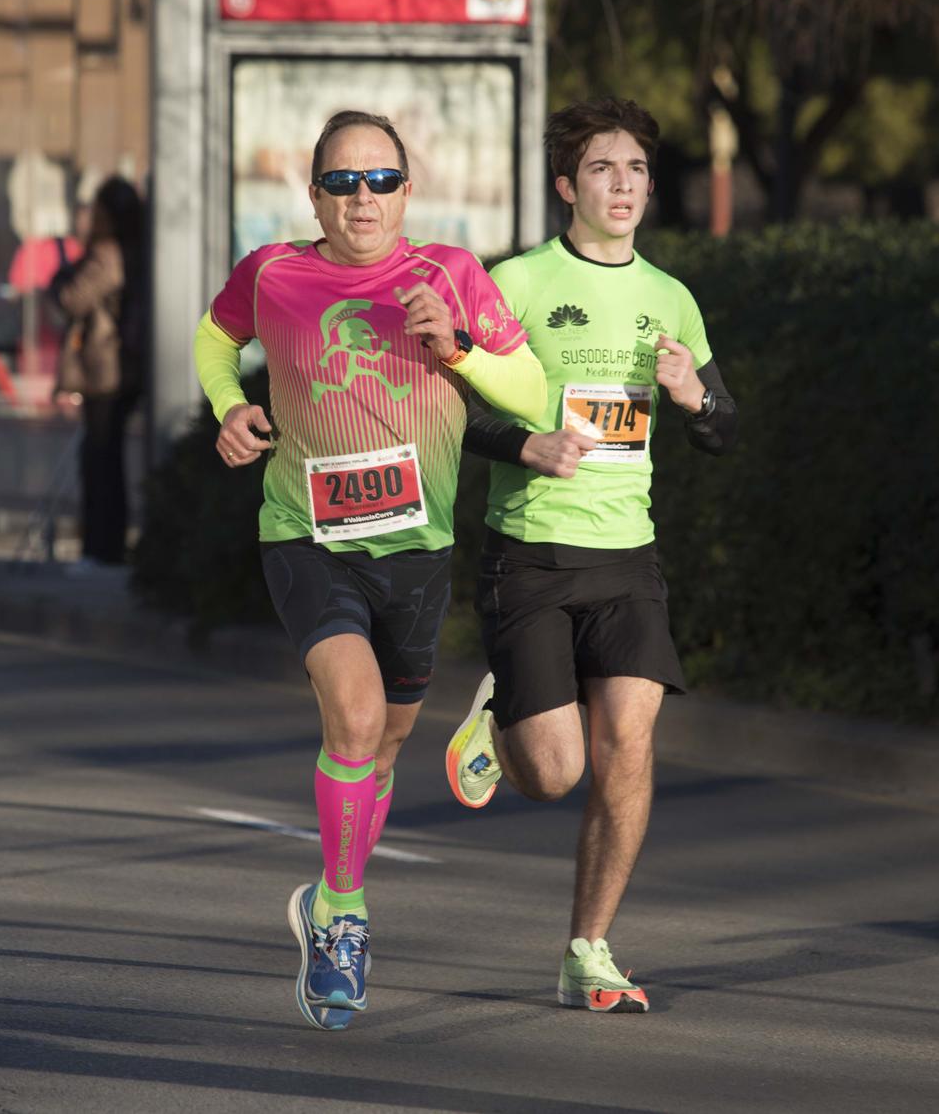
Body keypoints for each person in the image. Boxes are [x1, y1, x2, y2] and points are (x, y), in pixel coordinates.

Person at [195, 110, 548, 1030]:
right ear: (313, 193)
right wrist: (229, 404)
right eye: (343, 181)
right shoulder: (274, 271)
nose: (363, 198)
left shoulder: (452, 276)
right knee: (352, 716)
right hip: (306, 535)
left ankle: (326, 892)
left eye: (381, 179)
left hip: (417, 549)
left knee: (384, 743)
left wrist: (460, 348)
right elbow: (213, 335)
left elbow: (533, 391)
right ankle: (345, 919)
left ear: (406, 190)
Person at [448, 97, 739, 1013]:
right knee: (555, 773)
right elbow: (450, 403)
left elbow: (723, 429)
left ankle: (589, 948)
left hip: (628, 557)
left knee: (630, 747)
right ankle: (501, 717)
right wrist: (524, 443)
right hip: (531, 555)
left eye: (639, 171)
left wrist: (695, 399)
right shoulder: (518, 282)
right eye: (605, 170)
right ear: (568, 185)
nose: (625, 186)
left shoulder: (670, 296)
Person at [52, 176, 145, 567]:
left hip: (104, 368)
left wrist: (60, 279)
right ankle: (109, 544)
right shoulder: (141, 248)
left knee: (99, 460)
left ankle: (100, 548)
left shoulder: (108, 253)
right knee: (108, 459)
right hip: (126, 367)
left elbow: (73, 298)